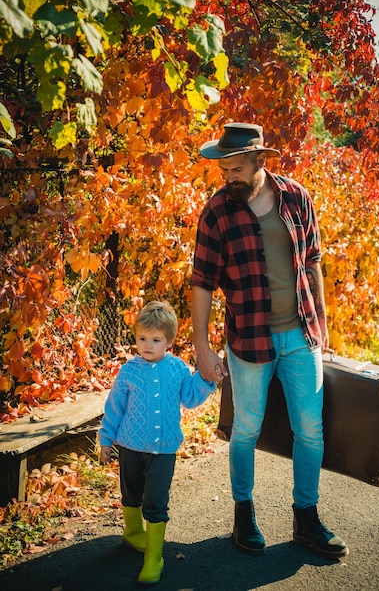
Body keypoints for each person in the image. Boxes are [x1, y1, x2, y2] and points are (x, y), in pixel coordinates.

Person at [191, 122, 348, 560]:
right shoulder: (217, 212)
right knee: (246, 428)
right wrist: (202, 347)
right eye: (224, 171)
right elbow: (201, 283)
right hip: (249, 338)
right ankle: (244, 512)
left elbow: (313, 260)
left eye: (237, 168)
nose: (229, 178)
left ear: (261, 160)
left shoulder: (297, 197)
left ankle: (306, 517)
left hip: (302, 333)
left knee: (310, 429)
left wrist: (323, 321)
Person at [99, 300, 216, 586]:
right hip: (129, 446)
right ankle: (132, 533)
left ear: (169, 341)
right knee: (131, 493)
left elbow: (190, 398)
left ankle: (154, 557)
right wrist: (106, 438)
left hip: (163, 449)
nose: (147, 345)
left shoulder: (177, 369)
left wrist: (207, 378)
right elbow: (115, 406)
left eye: (155, 340)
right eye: (142, 339)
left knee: (155, 500)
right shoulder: (128, 371)